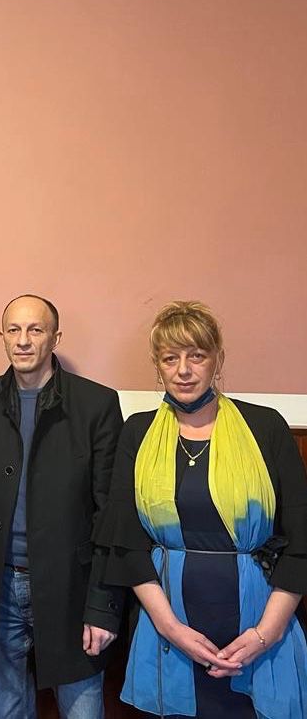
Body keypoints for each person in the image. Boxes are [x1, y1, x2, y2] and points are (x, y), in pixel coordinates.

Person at [94, 301, 307, 718]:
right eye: (170, 358)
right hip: (168, 632)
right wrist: (170, 628)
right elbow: (127, 545)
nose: (183, 370)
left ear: (217, 360)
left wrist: (264, 634)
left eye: (196, 355)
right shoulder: (137, 432)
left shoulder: (266, 427)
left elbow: (300, 541)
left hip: (261, 630)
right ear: (157, 367)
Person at [0, 294, 124, 719]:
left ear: (55, 338)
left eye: (35, 330)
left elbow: (110, 515)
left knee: (82, 710)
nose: (23, 340)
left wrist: (102, 607)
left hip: (71, 591)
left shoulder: (96, 404)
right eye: (14, 330)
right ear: (2, 336)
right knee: (6, 710)